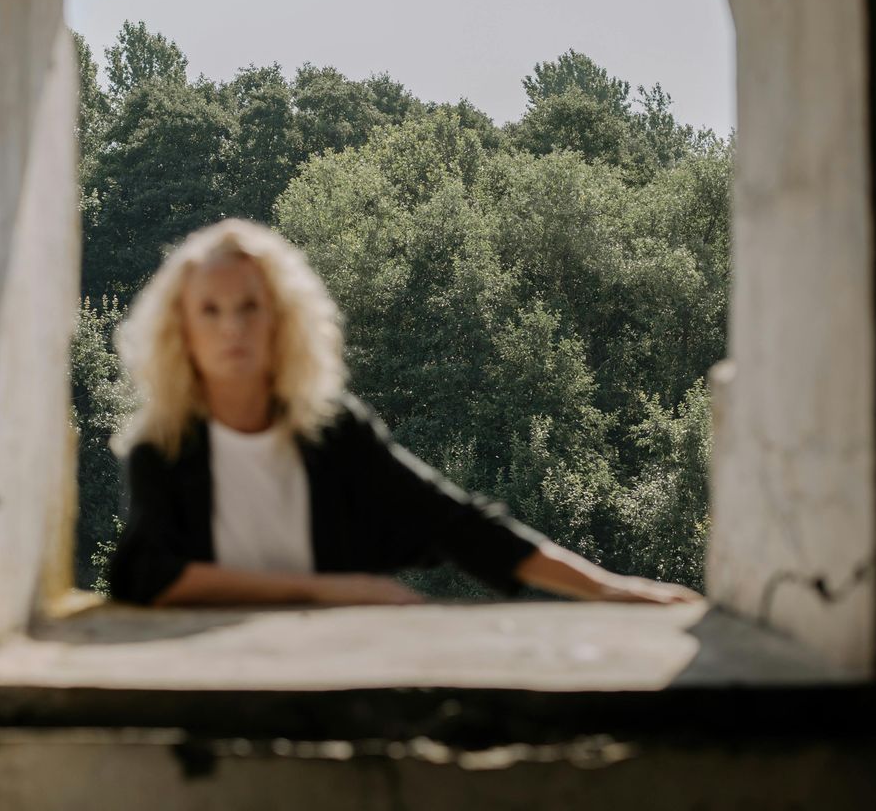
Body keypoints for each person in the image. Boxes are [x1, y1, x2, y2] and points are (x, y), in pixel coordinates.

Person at [105, 218, 700, 607]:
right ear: (180, 330)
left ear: (281, 320)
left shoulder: (334, 432)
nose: (231, 327)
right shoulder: (162, 447)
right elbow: (150, 577)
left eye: (249, 307)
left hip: (328, 686)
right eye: (209, 310)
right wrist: (336, 592)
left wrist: (610, 588)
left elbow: (457, 523)